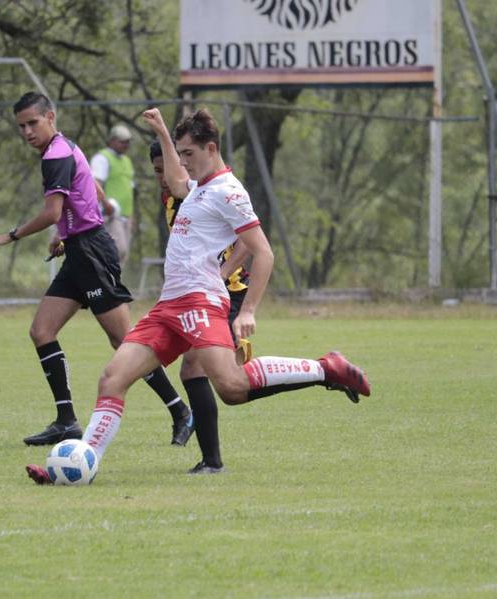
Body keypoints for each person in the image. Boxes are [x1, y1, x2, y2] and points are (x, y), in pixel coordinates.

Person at [26, 107, 370, 484]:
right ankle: (81, 464)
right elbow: (176, 182)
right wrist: (160, 132)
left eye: (189, 154)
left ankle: (326, 368)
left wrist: (248, 310)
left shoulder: (229, 191)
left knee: (232, 387)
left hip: (200, 302)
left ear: (210, 148)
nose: (184, 162)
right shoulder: (200, 188)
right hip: (169, 305)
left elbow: (263, 251)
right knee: (113, 378)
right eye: (181, 154)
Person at [0, 92, 193, 447]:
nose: (27, 132)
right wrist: (67, 234)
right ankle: (66, 421)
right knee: (42, 330)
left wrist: (10, 235)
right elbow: (91, 189)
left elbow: (52, 211)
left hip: (93, 253)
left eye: (33, 123)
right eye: (21, 127)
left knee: (126, 342)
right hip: (79, 250)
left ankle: (180, 412)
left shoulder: (56, 155)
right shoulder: (65, 147)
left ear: (50, 117)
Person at [147, 140, 356, 474]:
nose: (164, 175)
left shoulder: (213, 189)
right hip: (193, 296)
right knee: (211, 380)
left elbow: (250, 240)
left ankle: (325, 370)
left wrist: (224, 272)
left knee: (218, 380)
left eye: (170, 166)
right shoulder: (176, 195)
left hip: (226, 292)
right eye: (158, 170)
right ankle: (211, 459)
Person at [91, 124, 135, 263]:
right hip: (110, 215)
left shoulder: (127, 161)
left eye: (127, 141)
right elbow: (94, 184)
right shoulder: (102, 158)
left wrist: (131, 216)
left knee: (122, 255)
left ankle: (113, 284)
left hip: (125, 216)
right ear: (112, 140)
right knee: (116, 251)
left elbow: (129, 190)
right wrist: (105, 204)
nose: (125, 144)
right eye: (122, 141)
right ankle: (104, 282)